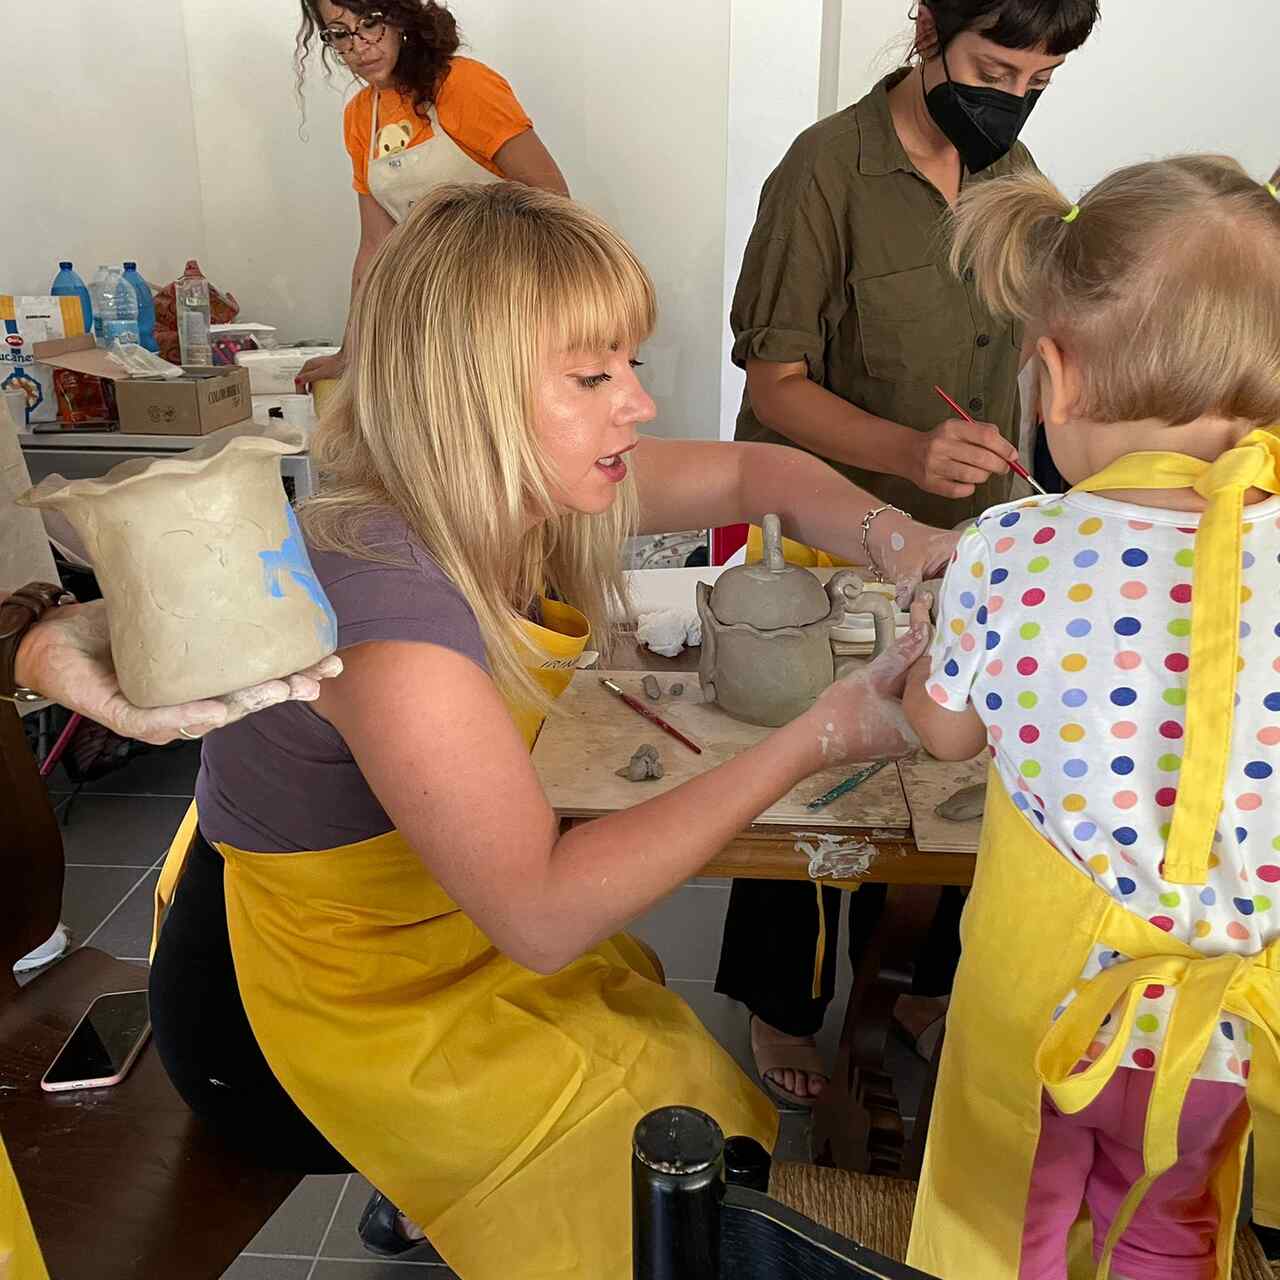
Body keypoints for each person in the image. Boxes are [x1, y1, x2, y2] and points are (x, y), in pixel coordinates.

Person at [11, 184, 956, 1279]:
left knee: (662, 1065)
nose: (638, 405)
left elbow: (761, 472)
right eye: (594, 377)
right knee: (631, 1158)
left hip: (434, 927)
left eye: (630, 366)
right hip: (309, 1008)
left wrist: (904, 539)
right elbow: (544, 914)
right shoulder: (394, 615)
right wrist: (817, 736)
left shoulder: (519, 497)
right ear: (468, 397)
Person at [716, 0, 1100, 1108]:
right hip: (825, 520)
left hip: (963, 528)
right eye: (992, 65)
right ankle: (780, 998)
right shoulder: (823, 174)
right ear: (926, 25)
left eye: (1037, 80)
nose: (1009, 98)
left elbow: (1026, 339)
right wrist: (906, 451)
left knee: (944, 763)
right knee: (808, 760)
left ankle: (921, 981)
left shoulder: (1011, 168)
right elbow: (772, 386)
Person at [902, 157, 1280, 1279]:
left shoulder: (1007, 550)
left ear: (1052, 380)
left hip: (1043, 1018)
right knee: (1165, 1227)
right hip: (1226, 1032)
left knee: (1003, 1224)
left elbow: (943, 738)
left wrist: (936, 652)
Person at [293, 0, 568, 388]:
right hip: (440, 311)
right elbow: (375, 245)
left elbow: (552, 197)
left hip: (515, 303)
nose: (358, 46)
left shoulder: (462, 84)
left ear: (400, 17)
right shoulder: (360, 117)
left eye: (370, 24)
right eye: (339, 34)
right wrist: (351, 351)